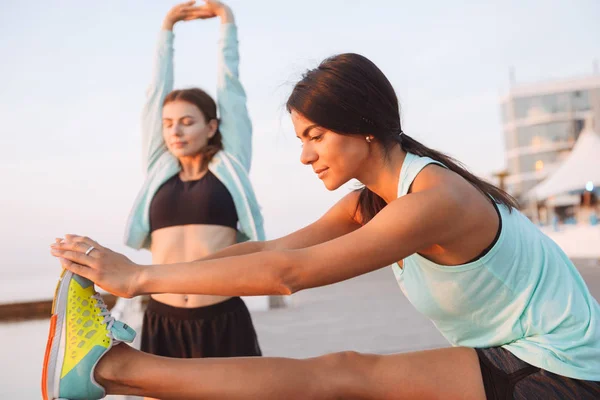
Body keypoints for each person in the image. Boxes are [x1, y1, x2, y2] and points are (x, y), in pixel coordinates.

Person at [44, 53, 600, 400]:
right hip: (521, 353)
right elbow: (269, 249)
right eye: (300, 139)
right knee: (343, 375)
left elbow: (290, 273)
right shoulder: (371, 203)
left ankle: (111, 371)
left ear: (361, 128)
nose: (306, 155)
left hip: (564, 367)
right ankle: (109, 370)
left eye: (314, 135)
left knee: (342, 377)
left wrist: (137, 278)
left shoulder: (437, 198)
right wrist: (134, 273)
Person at [120, 0, 264, 372]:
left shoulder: (230, 166)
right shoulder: (158, 169)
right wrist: (167, 27)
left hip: (222, 317)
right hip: (162, 320)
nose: (175, 131)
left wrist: (226, 22)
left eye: (187, 121)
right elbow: (156, 93)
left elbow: (231, 89)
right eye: (168, 124)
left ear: (212, 127)